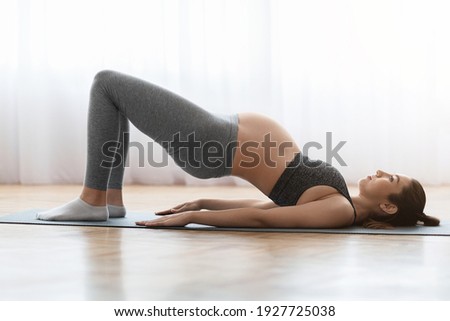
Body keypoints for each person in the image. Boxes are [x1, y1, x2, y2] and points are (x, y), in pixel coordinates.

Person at [37, 70, 440, 229]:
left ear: (388, 206)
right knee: (116, 96)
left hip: (212, 142)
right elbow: (269, 209)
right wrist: (204, 201)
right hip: (218, 133)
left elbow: (262, 220)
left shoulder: (339, 210)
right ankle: (110, 200)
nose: (383, 170)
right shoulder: (340, 200)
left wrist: (195, 217)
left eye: (390, 179)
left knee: (107, 83)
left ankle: (93, 199)